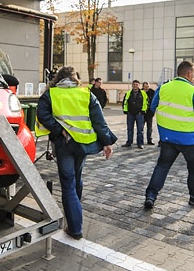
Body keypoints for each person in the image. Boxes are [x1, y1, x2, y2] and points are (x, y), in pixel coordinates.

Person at [36, 66, 117, 239]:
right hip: (82, 144)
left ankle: (74, 227)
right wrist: (106, 143)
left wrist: (59, 130)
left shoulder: (51, 94)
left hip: (64, 144)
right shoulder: (86, 94)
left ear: (58, 78)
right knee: (77, 179)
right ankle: (75, 215)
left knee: (68, 183)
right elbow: (99, 121)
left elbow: (41, 113)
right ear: (75, 78)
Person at [143, 61, 194, 210]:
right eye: (193, 72)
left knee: (162, 166)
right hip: (190, 138)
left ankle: (151, 196)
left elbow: (153, 107)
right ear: (189, 74)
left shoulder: (163, 88)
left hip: (168, 137)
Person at [122, 79, 148, 148]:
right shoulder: (128, 93)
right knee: (129, 129)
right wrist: (125, 110)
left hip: (139, 114)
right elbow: (125, 102)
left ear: (138, 85)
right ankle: (129, 142)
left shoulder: (143, 93)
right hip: (130, 113)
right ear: (132, 85)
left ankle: (140, 143)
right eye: (134, 84)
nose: (135, 86)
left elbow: (146, 102)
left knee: (140, 130)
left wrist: (143, 110)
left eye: (136, 85)